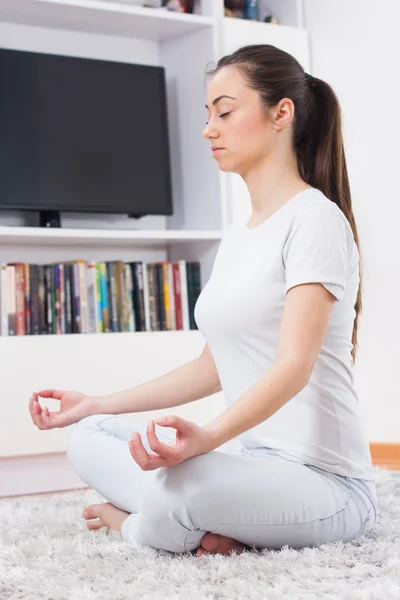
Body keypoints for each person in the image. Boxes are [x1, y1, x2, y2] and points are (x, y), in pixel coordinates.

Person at [28, 44, 377, 558]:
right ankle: (209, 525)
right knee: (90, 435)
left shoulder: (316, 220)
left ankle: (133, 524)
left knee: (183, 484)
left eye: (225, 111)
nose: (208, 128)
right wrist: (96, 401)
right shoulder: (240, 237)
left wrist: (206, 440)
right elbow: (211, 367)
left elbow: (294, 367)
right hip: (259, 468)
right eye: (208, 113)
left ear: (282, 113)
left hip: (327, 484)